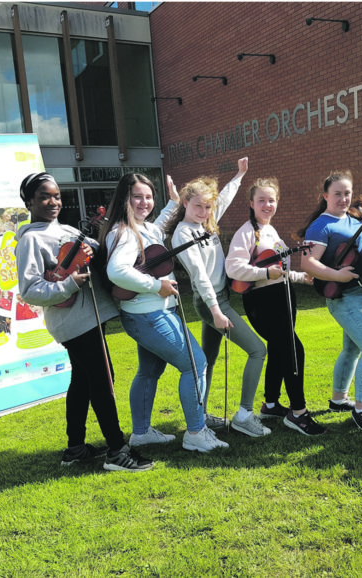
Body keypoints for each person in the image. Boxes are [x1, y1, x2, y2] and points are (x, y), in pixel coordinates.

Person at [14, 172, 153, 472]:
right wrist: (69, 284)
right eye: (44, 197)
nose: (53, 202)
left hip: (90, 316)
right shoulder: (30, 240)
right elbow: (30, 290)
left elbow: (101, 251)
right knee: (103, 381)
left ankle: (74, 447)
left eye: (56, 196)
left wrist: (93, 248)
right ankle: (117, 451)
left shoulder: (64, 229)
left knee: (82, 381)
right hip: (75, 322)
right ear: (29, 202)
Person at [102, 172, 228, 453]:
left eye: (148, 197)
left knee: (149, 371)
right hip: (149, 315)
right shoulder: (123, 232)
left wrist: (172, 203)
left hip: (147, 314)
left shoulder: (143, 227)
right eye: (137, 196)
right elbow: (117, 271)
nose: (144, 202)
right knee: (196, 364)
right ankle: (196, 433)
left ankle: (142, 433)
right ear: (124, 198)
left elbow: (156, 230)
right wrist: (154, 285)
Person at [163, 158, 270, 438]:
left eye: (208, 207)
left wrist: (240, 174)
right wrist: (217, 311)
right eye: (198, 205)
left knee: (208, 361)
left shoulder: (207, 222)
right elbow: (199, 276)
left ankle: (200, 416)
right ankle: (245, 415)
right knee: (258, 350)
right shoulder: (183, 233)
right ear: (185, 203)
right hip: (211, 302)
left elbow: (222, 199)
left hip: (219, 299)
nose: (204, 211)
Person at [225, 178, 326, 436]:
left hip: (282, 298)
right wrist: (264, 274)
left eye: (271, 200)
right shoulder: (247, 231)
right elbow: (233, 268)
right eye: (261, 200)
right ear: (251, 203)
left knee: (279, 348)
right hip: (263, 303)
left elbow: (277, 271)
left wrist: (300, 278)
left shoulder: (271, 231)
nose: (267, 205)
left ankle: (270, 404)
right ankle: (298, 413)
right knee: (293, 349)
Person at [299, 152, 362, 434]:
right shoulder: (321, 225)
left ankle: (339, 399)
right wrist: (337, 274)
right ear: (325, 195)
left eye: (347, 193)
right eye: (337, 194)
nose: (344, 198)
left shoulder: (355, 215)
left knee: (351, 347)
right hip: (346, 297)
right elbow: (307, 263)